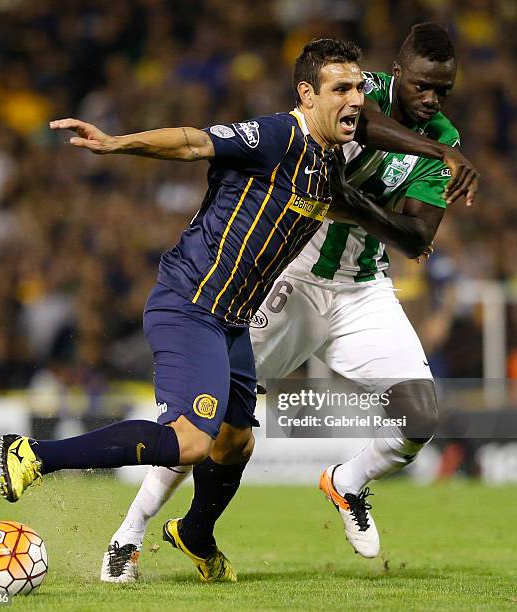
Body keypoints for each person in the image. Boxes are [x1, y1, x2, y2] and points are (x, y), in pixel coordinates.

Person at [103, 23, 478, 580]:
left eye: (443, 90)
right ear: (397, 74)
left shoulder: (445, 140)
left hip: (362, 290)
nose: (431, 99)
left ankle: (347, 483)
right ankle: (128, 536)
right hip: (288, 278)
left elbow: (416, 239)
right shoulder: (358, 94)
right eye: (423, 86)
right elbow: (365, 128)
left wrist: (345, 202)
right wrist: (434, 151)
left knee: (420, 414)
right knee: (204, 418)